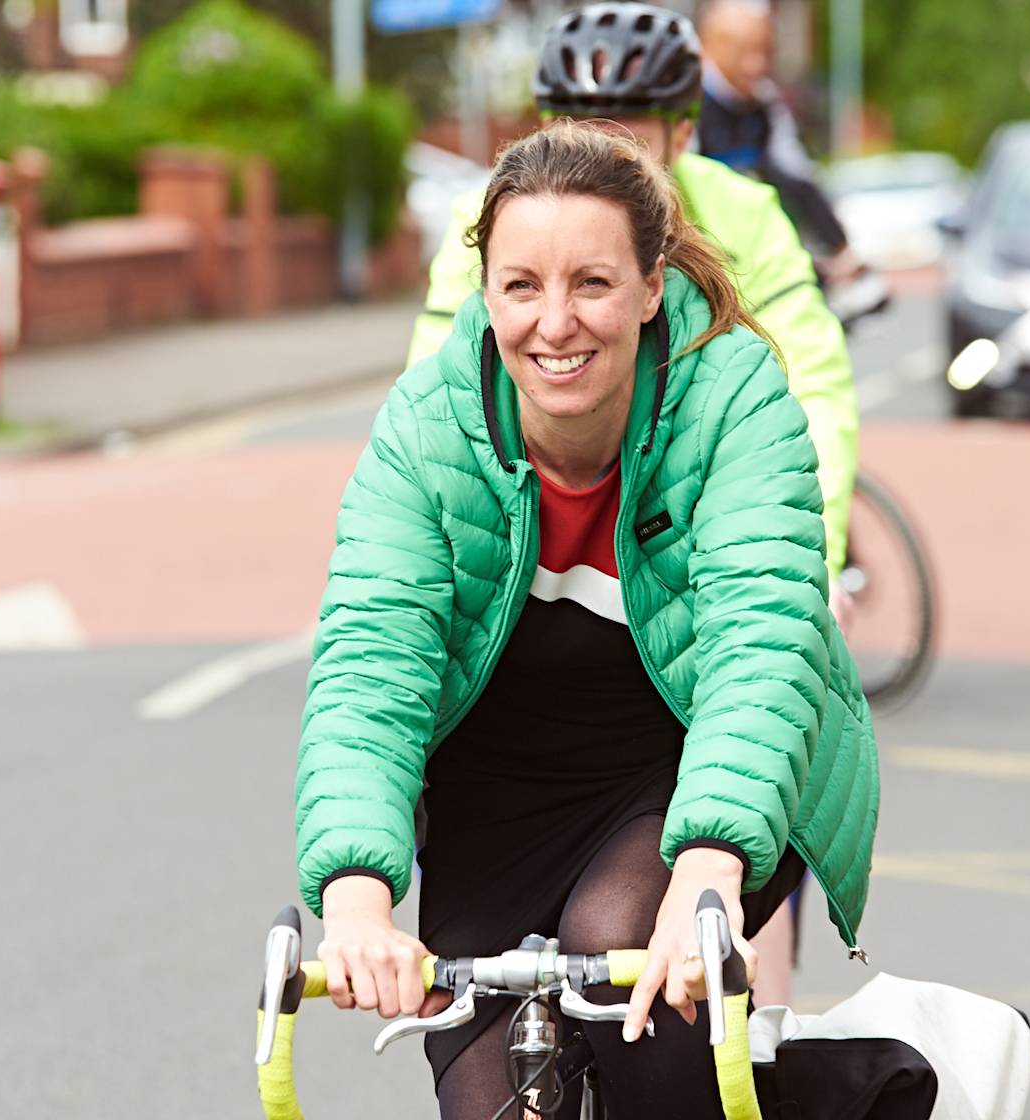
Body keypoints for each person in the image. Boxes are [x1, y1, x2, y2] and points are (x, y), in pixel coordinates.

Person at [296, 120, 879, 1120]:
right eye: (521, 285)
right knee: (484, 1096)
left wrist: (707, 869)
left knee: (631, 987)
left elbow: (761, 647)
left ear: (650, 286)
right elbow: (369, 664)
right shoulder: (424, 427)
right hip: (502, 783)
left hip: (687, 762)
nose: (553, 324)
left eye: (592, 284)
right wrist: (354, 898)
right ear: (484, 293)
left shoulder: (734, 397)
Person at [407, 3, 859, 591]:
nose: (600, 169)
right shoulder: (485, 218)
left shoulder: (744, 213)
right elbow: (435, 404)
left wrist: (810, 570)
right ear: (543, 132)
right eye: (578, 138)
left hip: (704, 513)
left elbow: (812, 389)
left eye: (628, 144)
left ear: (683, 135)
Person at [696, 0, 862, 284]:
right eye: (743, 52)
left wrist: (840, 246)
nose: (757, 64)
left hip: (761, 249)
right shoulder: (687, 105)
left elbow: (796, 173)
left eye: (766, 51)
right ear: (710, 47)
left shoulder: (766, 104)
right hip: (705, 254)